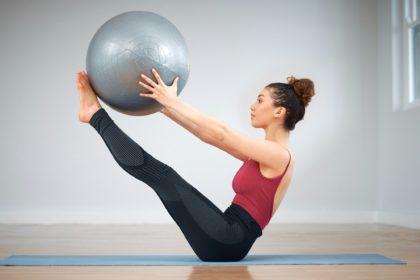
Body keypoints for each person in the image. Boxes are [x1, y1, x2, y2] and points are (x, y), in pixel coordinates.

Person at [76, 69, 315, 262]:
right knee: (165, 177)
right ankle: (94, 115)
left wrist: (173, 101)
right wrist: (162, 106)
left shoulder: (279, 155)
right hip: (227, 235)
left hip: (229, 241)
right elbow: (207, 135)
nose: (252, 105)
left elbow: (222, 133)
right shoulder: (265, 154)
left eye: (260, 100)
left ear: (279, 112)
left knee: (164, 177)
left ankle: (95, 115)